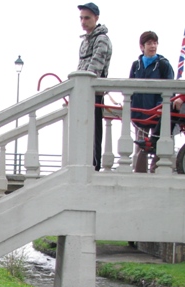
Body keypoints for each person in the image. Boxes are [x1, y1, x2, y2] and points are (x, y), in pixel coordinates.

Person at [129, 31, 174, 173]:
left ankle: (155, 170)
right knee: (140, 144)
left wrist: (161, 106)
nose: (153, 46)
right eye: (149, 43)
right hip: (139, 112)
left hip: (157, 113)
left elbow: (170, 88)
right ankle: (139, 172)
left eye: (155, 43)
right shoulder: (136, 65)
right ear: (142, 46)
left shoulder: (163, 65)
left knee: (157, 143)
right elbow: (129, 87)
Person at [77, 2, 112, 171]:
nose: (83, 21)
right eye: (81, 18)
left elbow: (94, 69)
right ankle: (84, 163)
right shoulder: (84, 41)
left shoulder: (102, 40)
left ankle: (94, 166)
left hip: (93, 93)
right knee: (82, 131)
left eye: (87, 18)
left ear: (96, 18)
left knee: (94, 131)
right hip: (82, 93)